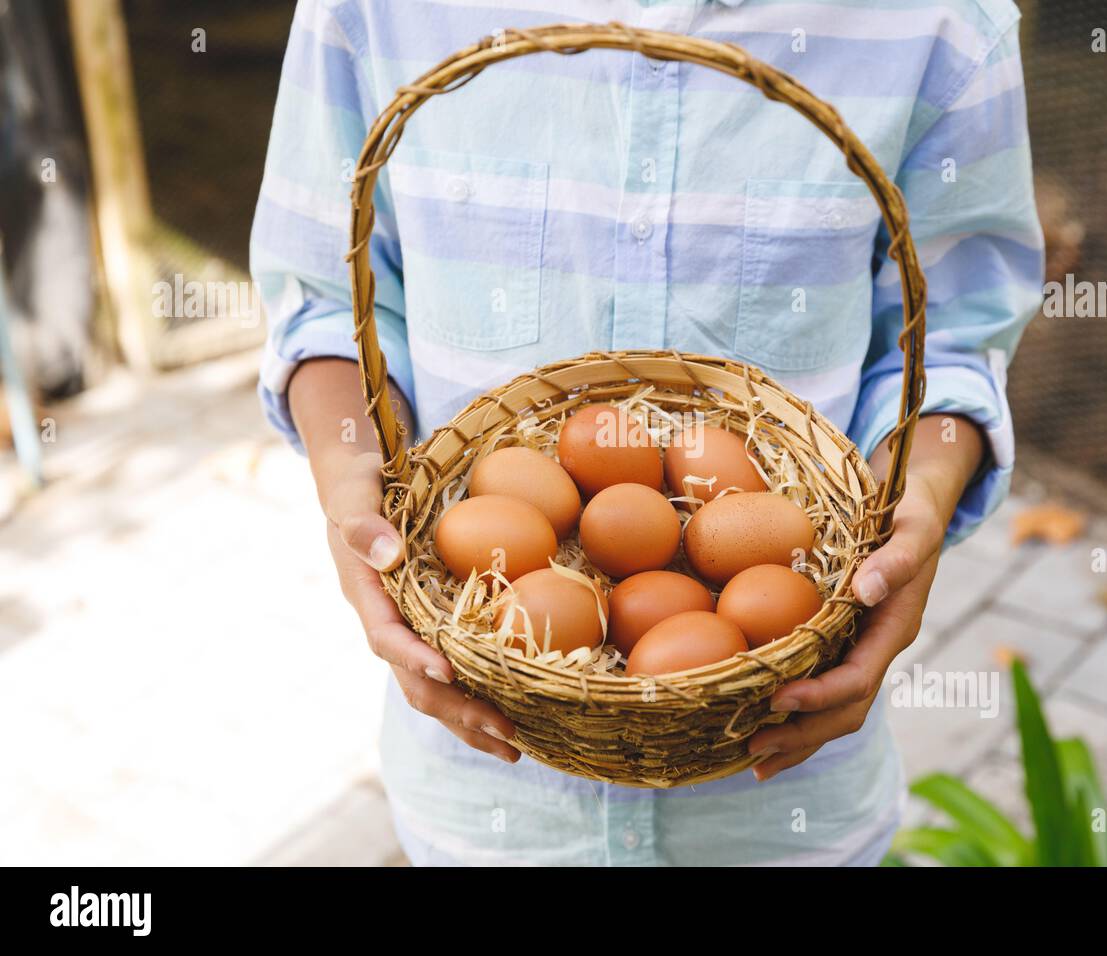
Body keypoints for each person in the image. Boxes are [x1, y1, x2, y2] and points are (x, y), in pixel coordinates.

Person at [252, 0, 1043, 866]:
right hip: (487, 803)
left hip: (784, 799)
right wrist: (351, 474)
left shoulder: (941, 24)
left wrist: (918, 501)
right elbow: (326, 300)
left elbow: (953, 337)